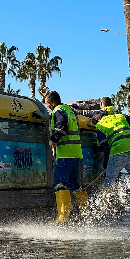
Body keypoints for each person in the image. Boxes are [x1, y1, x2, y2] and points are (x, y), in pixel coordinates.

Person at [83, 96, 130, 218]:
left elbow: (104, 146)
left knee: (109, 182)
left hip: (118, 150)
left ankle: (101, 211)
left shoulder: (100, 124)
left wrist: (107, 161)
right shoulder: (120, 116)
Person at [44, 90, 88, 223]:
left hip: (65, 153)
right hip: (76, 153)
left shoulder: (58, 110)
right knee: (74, 184)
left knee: (60, 183)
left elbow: (61, 124)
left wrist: (53, 139)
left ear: (52, 103)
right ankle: (86, 214)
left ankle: (63, 218)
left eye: (47, 104)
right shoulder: (69, 110)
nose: (47, 107)